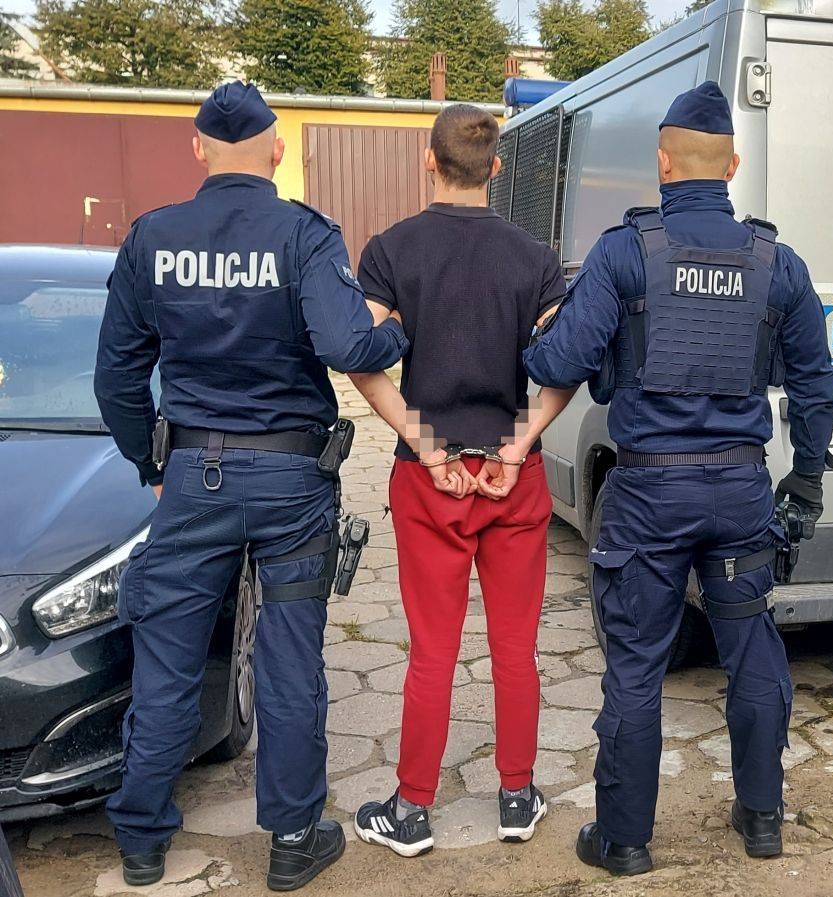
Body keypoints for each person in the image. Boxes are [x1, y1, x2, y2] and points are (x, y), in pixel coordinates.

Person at [94, 81, 408, 891]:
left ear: (197, 148)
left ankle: (141, 841)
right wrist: (399, 329)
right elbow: (350, 345)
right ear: (277, 148)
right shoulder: (303, 233)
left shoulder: (153, 237)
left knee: (167, 657)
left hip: (193, 477)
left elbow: (116, 378)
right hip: (292, 483)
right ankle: (295, 838)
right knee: (291, 657)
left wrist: (150, 464)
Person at [523, 81, 833, 873]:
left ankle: (624, 840)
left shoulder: (625, 252)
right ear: (731, 166)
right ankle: (762, 818)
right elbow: (815, 385)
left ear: (662, 164)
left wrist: (539, 337)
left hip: (648, 498)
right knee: (752, 648)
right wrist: (805, 482)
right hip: (738, 493)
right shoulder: (777, 262)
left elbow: (560, 363)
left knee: (636, 665)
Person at [342, 104, 568, 856]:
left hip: (429, 479)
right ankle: (516, 796)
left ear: (428, 160)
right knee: (515, 646)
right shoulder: (535, 257)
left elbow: (360, 356)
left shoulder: (391, 250)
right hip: (512, 476)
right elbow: (568, 361)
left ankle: (411, 809)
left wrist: (427, 444)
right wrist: (520, 441)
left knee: (432, 651)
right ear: (496, 168)